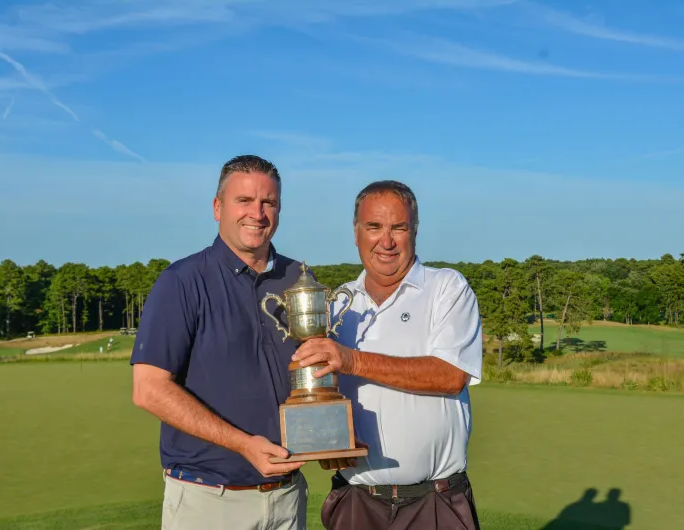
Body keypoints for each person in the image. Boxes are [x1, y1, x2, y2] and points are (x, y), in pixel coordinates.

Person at [292, 180, 484, 530]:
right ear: (356, 233)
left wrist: (352, 360)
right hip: (355, 501)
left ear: (415, 231)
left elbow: (451, 375)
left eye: (399, 227)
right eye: (374, 227)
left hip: (435, 502)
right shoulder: (336, 303)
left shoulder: (447, 287)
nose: (387, 241)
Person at [130, 155, 308, 530]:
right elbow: (149, 390)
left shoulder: (299, 278)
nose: (257, 213)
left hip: (288, 497)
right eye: (244, 201)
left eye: (268, 203)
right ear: (217, 207)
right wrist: (243, 444)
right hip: (209, 500)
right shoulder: (181, 281)